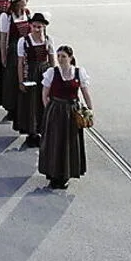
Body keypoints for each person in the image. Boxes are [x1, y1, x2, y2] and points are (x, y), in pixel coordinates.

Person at [38, 46, 92, 190]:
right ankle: (53, 174)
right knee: (55, 143)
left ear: (70, 57)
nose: (60, 59)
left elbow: (85, 93)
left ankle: (65, 175)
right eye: (59, 56)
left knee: (69, 142)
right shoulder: (52, 72)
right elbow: (45, 94)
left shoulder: (78, 73)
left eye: (63, 56)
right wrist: (50, 111)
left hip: (72, 112)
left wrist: (89, 110)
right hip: (56, 111)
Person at [15, 12, 54, 147]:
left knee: (43, 102)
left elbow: (52, 61)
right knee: (31, 103)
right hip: (31, 73)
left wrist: (53, 78)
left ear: (44, 27)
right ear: (30, 26)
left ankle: (43, 130)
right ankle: (32, 132)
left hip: (44, 73)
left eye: (39, 27)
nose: (37, 29)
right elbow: (20, 62)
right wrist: (21, 80)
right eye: (35, 26)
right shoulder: (24, 41)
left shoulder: (48, 40)